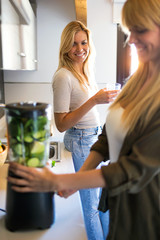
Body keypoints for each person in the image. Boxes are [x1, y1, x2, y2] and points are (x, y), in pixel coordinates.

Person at [8, 0, 160, 239]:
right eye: (130, 30)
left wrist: (61, 181)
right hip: (117, 199)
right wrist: (76, 179)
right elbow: (106, 137)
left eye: (139, 29)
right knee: (94, 209)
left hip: (144, 213)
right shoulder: (137, 80)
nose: (130, 39)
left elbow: (133, 169)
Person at [51, 20, 118, 240]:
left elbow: (90, 109)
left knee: (103, 200)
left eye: (83, 42)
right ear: (65, 47)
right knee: (91, 206)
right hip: (81, 140)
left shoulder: (85, 69)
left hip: (95, 137)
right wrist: (94, 100)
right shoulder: (63, 76)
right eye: (74, 44)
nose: (80, 49)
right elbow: (61, 124)